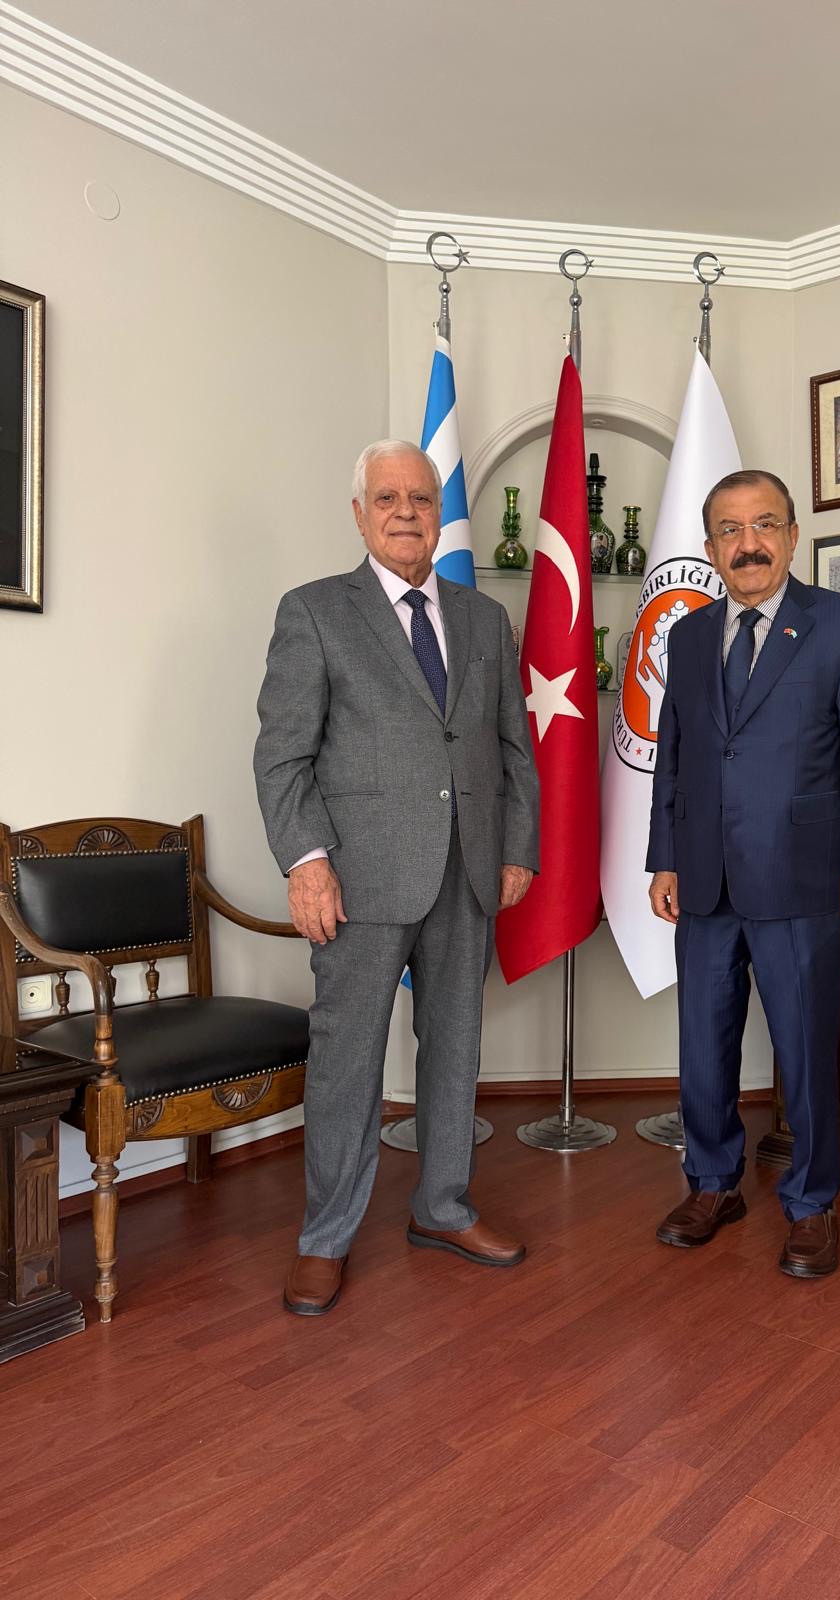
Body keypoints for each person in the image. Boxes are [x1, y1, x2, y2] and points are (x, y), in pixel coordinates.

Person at [254, 440, 539, 1315]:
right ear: (359, 514)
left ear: (438, 513)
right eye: (387, 498)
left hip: (468, 869)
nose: (406, 512)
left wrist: (517, 846)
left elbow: (512, 748)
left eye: (420, 497)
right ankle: (324, 1238)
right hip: (360, 877)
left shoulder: (484, 618)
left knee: (456, 1047)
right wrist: (307, 864)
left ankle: (442, 1207)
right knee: (348, 1059)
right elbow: (282, 756)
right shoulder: (314, 612)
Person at [646, 468, 840, 1278]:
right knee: (702, 1044)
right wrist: (664, 857)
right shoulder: (687, 635)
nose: (747, 544)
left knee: (805, 1049)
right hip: (704, 877)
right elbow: (674, 756)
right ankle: (713, 1184)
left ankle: (811, 1203)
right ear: (710, 545)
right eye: (729, 529)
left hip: (801, 877)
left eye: (763, 525)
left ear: (791, 535)